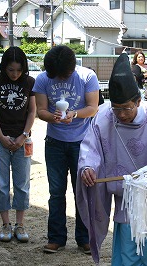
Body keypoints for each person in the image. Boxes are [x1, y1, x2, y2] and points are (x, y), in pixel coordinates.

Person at [76, 53, 147, 265]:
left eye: (126, 108)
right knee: (128, 250)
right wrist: (88, 168)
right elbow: (90, 147)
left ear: (138, 101)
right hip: (125, 195)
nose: (120, 114)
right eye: (116, 108)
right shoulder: (104, 116)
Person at [32, 45, 100, 254]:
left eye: (64, 74)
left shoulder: (87, 76)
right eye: (57, 75)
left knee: (83, 190)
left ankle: (84, 237)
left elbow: (93, 108)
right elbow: (40, 110)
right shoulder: (43, 79)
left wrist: (74, 114)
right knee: (56, 192)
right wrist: (51, 116)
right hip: (55, 142)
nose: (60, 79)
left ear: (72, 67)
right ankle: (56, 238)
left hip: (82, 142)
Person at [0, 46, 36, 243]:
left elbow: (32, 112)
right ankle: (6, 224)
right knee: (1, 183)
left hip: (22, 139)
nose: (15, 74)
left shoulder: (30, 82)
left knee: (22, 184)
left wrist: (23, 136)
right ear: (4, 67)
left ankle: (20, 224)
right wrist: (0, 137)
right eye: (11, 70)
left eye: (18, 70)